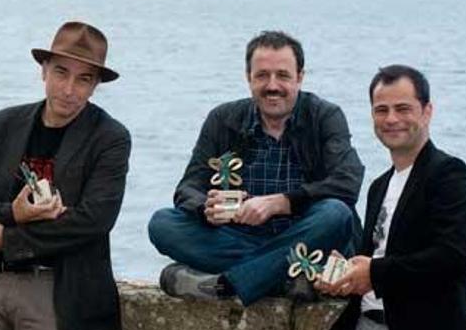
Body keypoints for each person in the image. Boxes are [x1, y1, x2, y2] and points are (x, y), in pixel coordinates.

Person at [0, 20, 131, 330]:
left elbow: (95, 220)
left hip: (58, 287)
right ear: (43, 71)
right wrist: (13, 213)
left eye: (83, 79)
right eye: (61, 73)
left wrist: (9, 238)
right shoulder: (1, 125)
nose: (69, 89)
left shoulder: (110, 137)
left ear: (96, 85)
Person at [148, 30, 364, 305]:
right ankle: (286, 277)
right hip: (244, 238)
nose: (272, 85)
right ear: (248, 77)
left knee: (336, 213)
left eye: (283, 75)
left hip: (309, 236)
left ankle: (226, 284)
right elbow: (187, 188)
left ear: (300, 77)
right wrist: (206, 207)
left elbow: (347, 183)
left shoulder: (325, 116)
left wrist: (280, 203)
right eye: (262, 75)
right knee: (162, 224)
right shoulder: (223, 119)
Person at [319, 65, 466, 330]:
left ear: (427, 111)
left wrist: (374, 274)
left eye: (403, 108)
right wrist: (347, 273)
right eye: (381, 110)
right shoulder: (378, 186)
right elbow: (379, 256)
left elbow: (455, 258)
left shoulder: (449, 174)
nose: (391, 119)